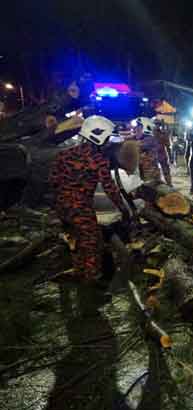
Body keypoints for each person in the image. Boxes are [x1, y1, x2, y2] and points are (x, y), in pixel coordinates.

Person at [49, 115, 132, 284]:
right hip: (81, 207)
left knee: (79, 240)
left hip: (62, 207)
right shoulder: (98, 159)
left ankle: (79, 272)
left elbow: (53, 181)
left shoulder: (63, 155)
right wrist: (124, 209)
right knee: (92, 243)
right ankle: (91, 280)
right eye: (107, 138)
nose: (109, 143)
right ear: (98, 135)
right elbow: (110, 188)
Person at [133, 116, 172, 186]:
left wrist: (170, 157)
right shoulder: (148, 134)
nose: (156, 125)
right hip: (151, 157)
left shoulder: (162, 133)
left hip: (161, 155)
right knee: (152, 173)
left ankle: (169, 184)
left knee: (165, 171)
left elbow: (167, 145)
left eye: (158, 124)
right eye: (155, 124)